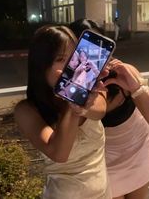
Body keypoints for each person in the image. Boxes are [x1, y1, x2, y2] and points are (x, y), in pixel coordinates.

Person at [69, 19, 149, 199]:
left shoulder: (125, 73)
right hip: (105, 162)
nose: (92, 55)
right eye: (82, 49)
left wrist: (135, 88)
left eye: (98, 46)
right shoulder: (73, 90)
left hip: (139, 150)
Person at [14, 25, 112, 199]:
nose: (72, 66)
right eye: (60, 59)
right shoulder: (27, 111)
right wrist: (72, 101)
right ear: (41, 66)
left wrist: (80, 95)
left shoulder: (94, 89)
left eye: (74, 57)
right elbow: (59, 154)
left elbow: (100, 112)